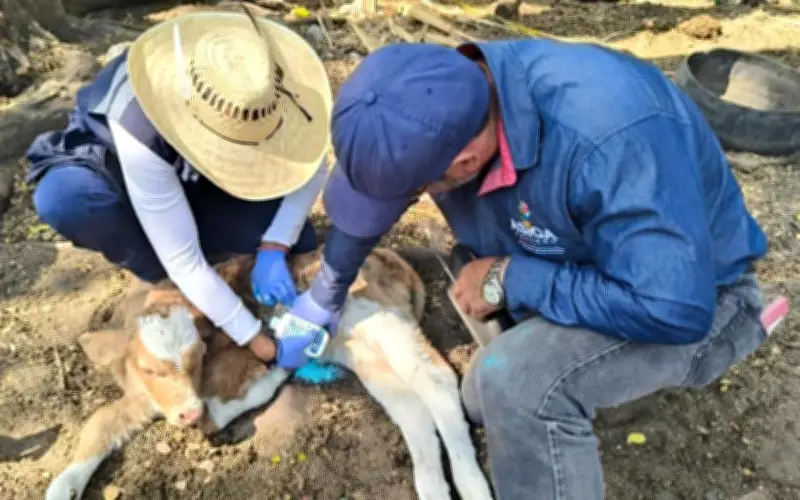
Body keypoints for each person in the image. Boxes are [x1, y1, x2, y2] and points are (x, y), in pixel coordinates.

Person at [285, 41, 770, 498]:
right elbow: (377, 191)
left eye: (412, 191)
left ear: (466, 162)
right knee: (478, 398)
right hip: (583, 262)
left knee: (517, 386)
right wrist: (328, 289)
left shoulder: (610, 139)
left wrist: (511, 278)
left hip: (695, 299)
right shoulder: (438, 97)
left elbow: (674, 307)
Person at [24, 11, 334, 371]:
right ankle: (156, 273)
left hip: (201, 178)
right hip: (118, 169)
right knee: (67, 200)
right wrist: (261, 344)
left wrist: (274, 246)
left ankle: (207, 253)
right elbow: (184, 260)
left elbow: (313, 166)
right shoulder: (141, 119)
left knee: (299, 239)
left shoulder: (266, 86)